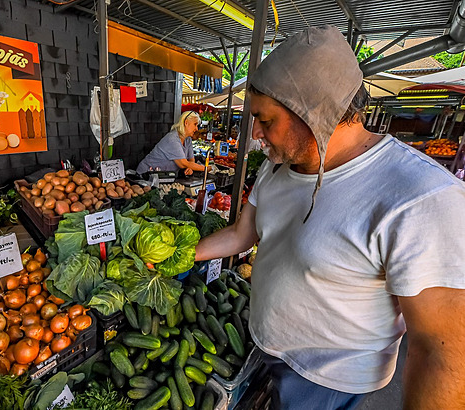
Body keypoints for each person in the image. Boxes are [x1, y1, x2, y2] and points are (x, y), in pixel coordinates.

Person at [194, 25, 465, 410]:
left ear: (314, 112)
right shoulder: (276, 169)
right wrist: (175, 256)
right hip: (267, 353)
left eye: (266, 120)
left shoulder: (419, 196)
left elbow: (446, 354)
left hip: (329, 384)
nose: (255, 134)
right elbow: (242, 234)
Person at [136, 111, 208, 176]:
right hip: (145, 174)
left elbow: (191, 160)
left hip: (161, 176)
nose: (196, 129)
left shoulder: (188, 140)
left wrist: (190, 168)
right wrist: (206, 169)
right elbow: (183, 164)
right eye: (195, 124)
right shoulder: (172, 139)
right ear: (186, 123)